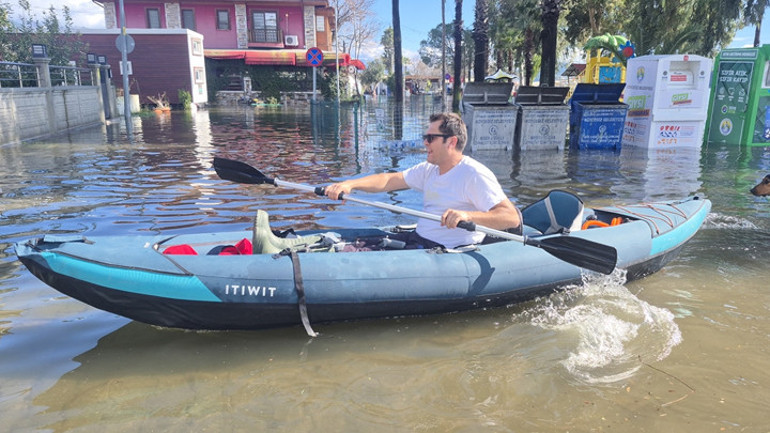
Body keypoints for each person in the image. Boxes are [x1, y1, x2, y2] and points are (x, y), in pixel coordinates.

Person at [324, 112, 521, 249]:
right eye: (424, 137)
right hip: (419, 239)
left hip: (445, 250)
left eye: (430, 138)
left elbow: (510, 217)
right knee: (356, 245)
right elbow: (389, 180)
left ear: (451, 142)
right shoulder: (429, 169)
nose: (425, 142)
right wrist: (350, 184)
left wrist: (468, 216)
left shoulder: (474, 174)